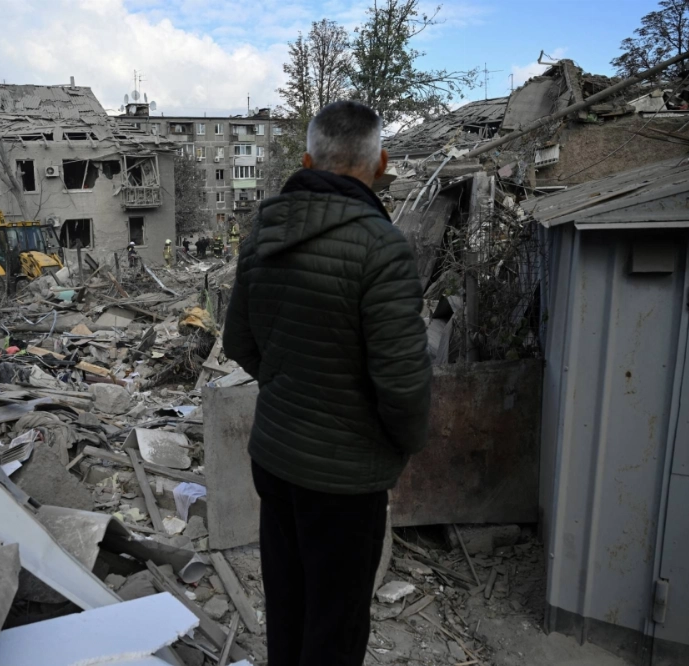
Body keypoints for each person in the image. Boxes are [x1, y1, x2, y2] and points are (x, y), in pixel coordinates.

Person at [222, 100, 431, 666]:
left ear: (307, 158)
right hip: (344, 480)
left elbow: (238, 343)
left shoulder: (262, 232)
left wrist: (290, 384)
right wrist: (403, 442)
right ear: (381, 162)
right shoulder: (382, 246)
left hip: (275, 460)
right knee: (335, 628)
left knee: (288, 607)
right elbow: (404, 385)